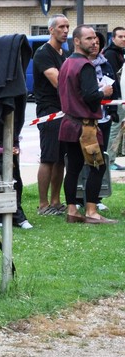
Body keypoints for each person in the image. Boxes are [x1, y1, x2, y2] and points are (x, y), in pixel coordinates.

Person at [60, 26, 116, 225]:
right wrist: (105, 92)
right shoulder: (85, 65)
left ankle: (72, 210)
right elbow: (90, 96)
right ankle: (91, 212)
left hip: (69, 124)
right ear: (76, 41)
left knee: (73, 168)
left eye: (95, 38)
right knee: (97, 167)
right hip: (85, 128)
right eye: (88, 38)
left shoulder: (67, 63)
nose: (94, 42)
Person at [33, 14, 70, 216]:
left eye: (67, 27)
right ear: (51, 30)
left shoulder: (65, 52)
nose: (65, 31)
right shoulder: (43, 53)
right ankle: (43, 204)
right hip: (49, 111)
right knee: (48, 157)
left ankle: (56, 201)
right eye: (61, 27)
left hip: (65, 111)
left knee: (60, 159)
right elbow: (59, 82)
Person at [102, 27, 125, 170]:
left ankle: (111, 159)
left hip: (120, 97)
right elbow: (115, 78)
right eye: (120, 36)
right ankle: (109, 161)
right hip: (117, 98)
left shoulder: (119, 53)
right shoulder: (111, 54)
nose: (123, 39)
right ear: (113, 38)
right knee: (115, 128)